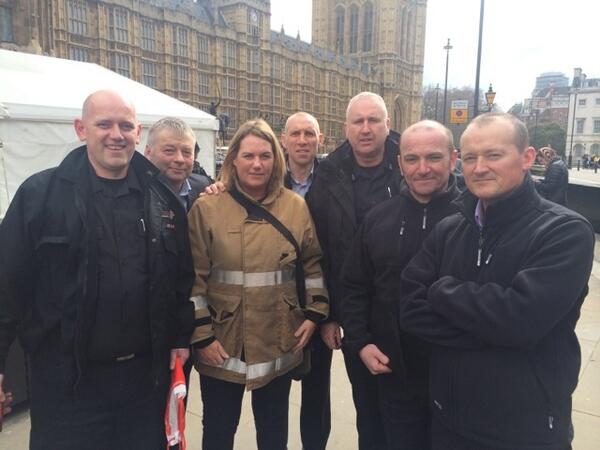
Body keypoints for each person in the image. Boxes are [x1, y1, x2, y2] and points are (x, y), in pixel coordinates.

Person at [0, 90, 195, 449]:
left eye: (125, 126)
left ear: (138, 132)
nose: (115, 135)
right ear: (81, 129)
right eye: (103, 124)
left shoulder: (162, 199)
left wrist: (181, 338)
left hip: (142, 385)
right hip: (67, 387)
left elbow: (180, 279)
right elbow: (6, 285)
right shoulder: (40, 195)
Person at [397, 113, 595, 450]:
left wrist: (441, 291)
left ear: (527, 158)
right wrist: (493, 332)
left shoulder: (565, 231)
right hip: (449, 422)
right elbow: (410, 309)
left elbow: (519, 321)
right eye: (471, 158)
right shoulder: (451, 228)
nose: (479, 168)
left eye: (494, 155)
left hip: (523, 429)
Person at [187, 118, 329, 450]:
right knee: (219, 431)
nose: (257, 164)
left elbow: (311, 263)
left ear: (275, 160)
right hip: (222, 344)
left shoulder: (295, 206)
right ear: (233, 159)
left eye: (265, 156)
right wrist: (202, 336)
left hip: (278, 340)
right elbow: (193, 280)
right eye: (248, 156)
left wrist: (315, 312)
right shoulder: (207, 208)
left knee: (274, 432)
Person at [341, 120, 460, 449]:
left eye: (433, 158)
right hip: (395, 373)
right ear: (399, 164)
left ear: (453, 159)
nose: (422, 169)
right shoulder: (379, 219)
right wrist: (361, 342)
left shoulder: (475, 217)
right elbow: (353, 287)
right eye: (412, 159)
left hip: (456, 377)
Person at [306, 92, 403, 450]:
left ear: (387, 125)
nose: (366, 129)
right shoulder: (329, 173)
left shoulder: (409, 165)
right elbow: (320, 249)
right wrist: (330, 315)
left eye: (374, 120)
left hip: (406, 313)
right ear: (346, 128)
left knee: (408, 411)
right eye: (358, 121)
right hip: (355, 316)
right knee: (368, 411)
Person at [279, 112, 331, 450]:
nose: (302, 140)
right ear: (283, 140)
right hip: (276, 304)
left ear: (320, 139)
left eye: (309, 133)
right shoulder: (266, 177)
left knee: (317, 393)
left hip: (320, 302)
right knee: (274, 395)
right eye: (295, 134)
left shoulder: (335, 179)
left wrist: (330, 313)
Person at [144, 116, 211, 211]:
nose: (180, 159)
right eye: (169, 150)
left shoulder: (204, 189)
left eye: (186, 152)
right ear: (148, 152)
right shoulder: (136, 194)